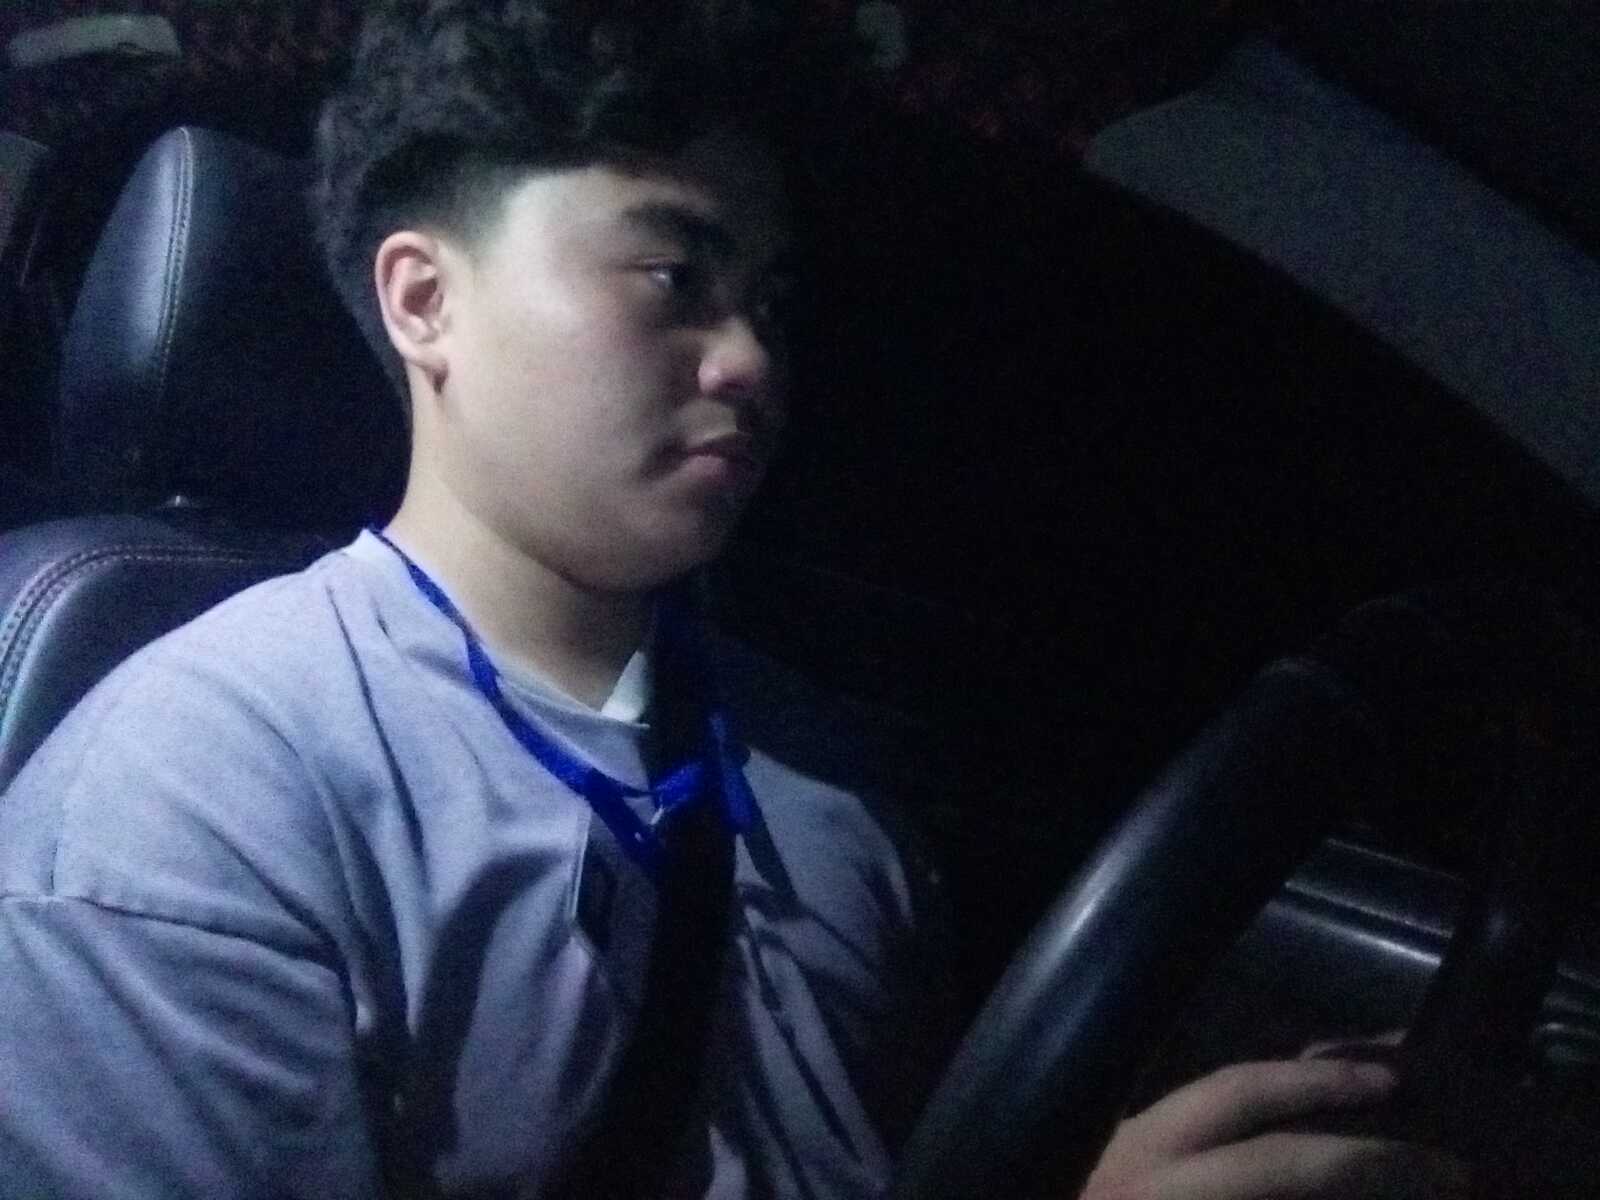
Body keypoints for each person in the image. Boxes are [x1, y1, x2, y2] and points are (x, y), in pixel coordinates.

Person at [0, 2, 1469, 1197]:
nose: (753, 360)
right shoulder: (200, 796)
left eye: (767, 300)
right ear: (424, 301)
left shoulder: (834, 802)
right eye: (671, 275)